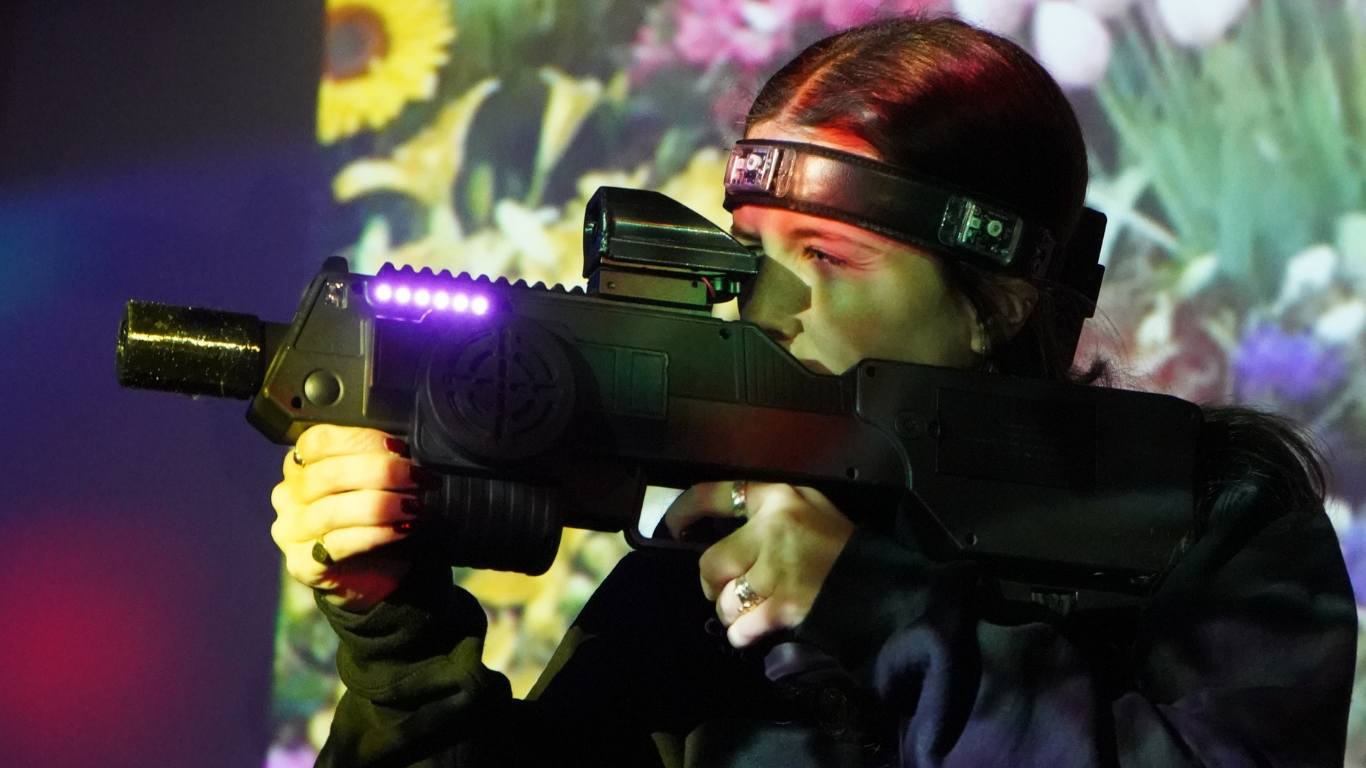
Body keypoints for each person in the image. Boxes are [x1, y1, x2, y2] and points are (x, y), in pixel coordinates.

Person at [269, 16, 1357, 768]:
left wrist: (873, 606)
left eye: (830, 256)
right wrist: (392, 623)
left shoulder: (1204, 517)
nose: (769, 302)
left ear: (997, 301)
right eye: (749, 253)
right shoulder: (722, 543)